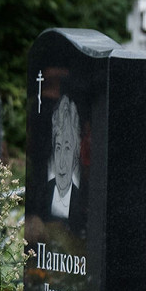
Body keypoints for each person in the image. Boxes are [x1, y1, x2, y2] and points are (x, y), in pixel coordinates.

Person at [44, 95, 86, 233]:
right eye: (58, 147)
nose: (61, 162)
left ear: (75, 155)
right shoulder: (43, 193)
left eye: (67, 149)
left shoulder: (82, 200)